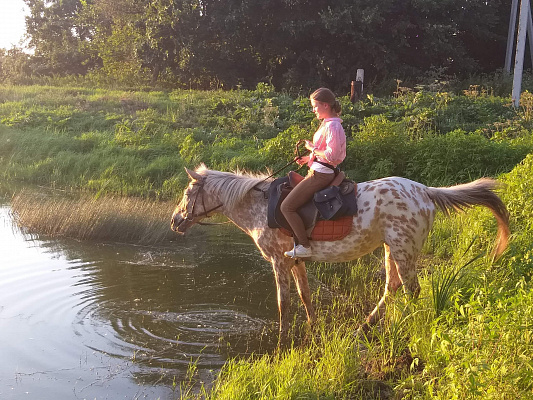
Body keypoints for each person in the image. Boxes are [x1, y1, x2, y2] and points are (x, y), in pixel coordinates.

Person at [281, 87, 346, 258]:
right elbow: (325, 155)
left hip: (321, 175)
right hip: (319, 169)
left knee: (286, 207)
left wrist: (312, 148)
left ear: (325, 105)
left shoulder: (332, 126)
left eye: (315, 106)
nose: (313, 110)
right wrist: (307, 160)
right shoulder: (328, 124)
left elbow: (332, 155)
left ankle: (304, 246)